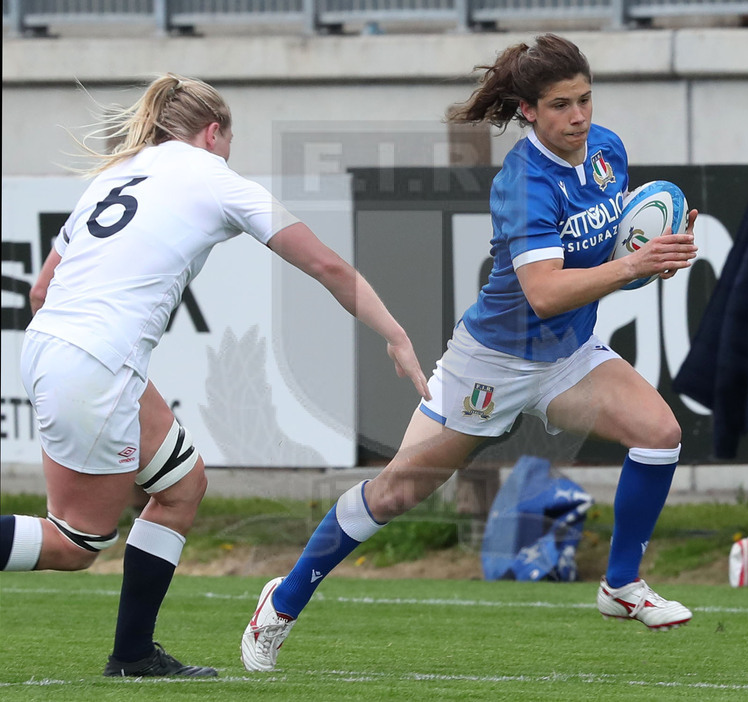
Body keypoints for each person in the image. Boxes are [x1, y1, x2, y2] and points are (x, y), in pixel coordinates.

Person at [240, 33, 700, 673]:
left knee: (659, 432)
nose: (578, 116)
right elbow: (541, 293)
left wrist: (656, 255)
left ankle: (620, 586)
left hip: (567, 357)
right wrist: (632, 268)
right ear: (528, 110)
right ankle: (283, 601)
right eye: (561, 105)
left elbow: (605, 251)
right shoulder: (523, 182)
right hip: (492, 363)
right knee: (399, 492)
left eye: (586, 100)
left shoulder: (607, 152)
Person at [0, 73, 430, 677]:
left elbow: (41, 288)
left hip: (55, 347)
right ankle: (130, 655)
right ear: (213, 131)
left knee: (181, 487)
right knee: (75, 544)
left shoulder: (116, 175)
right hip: (94, 360)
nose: (231, 154)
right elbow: (327, 265)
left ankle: (133, 656)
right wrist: (396, 333)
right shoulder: (214, 177)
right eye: (230, 141)